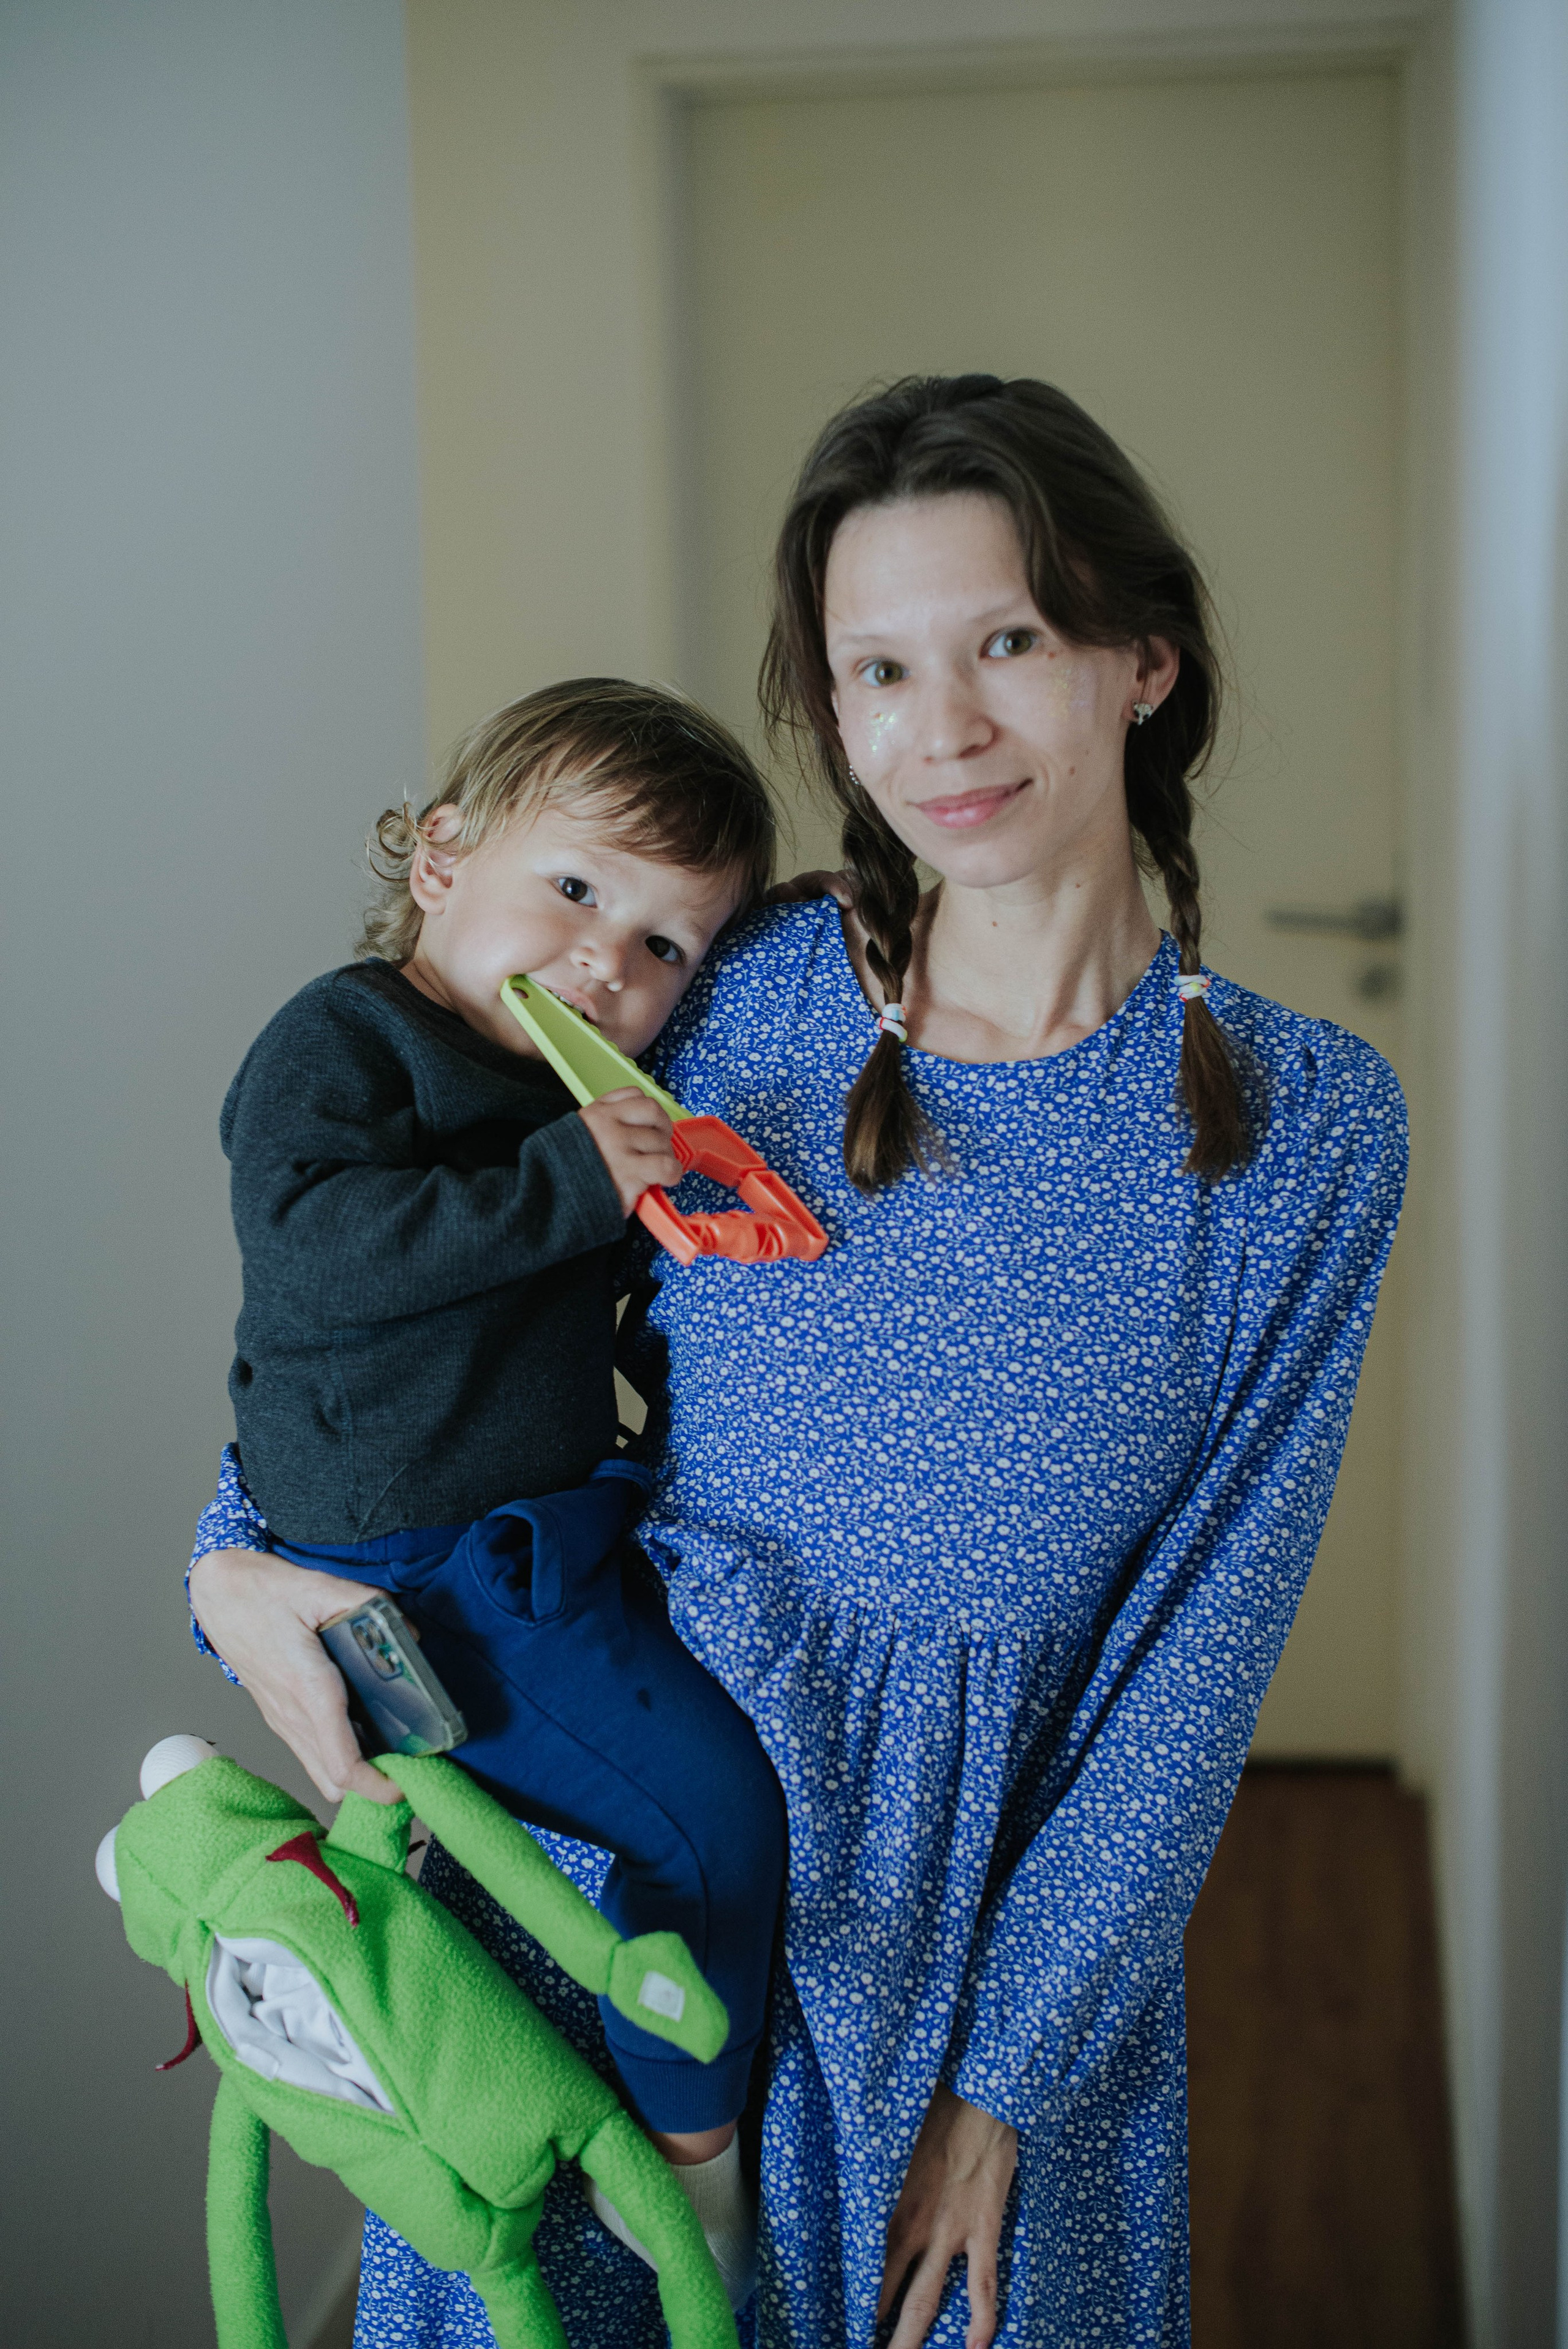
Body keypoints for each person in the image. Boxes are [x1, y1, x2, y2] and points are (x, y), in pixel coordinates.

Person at [189, 375, 1406, 2348]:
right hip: (613, 1895)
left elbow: (1199, 1656)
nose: (944, 729)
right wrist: (230, 1560)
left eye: (1009, 641)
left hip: (985, 1962)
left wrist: (1007, 2088)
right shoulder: (729, 981)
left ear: (1144, 658)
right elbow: (398, 1311)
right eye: (878, 670)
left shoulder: (1307, 1127)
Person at [190, 677, 788, 2308]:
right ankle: (692, 2169)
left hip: (536, 1531)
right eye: (577, 888)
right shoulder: (349, 1038)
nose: (609, 961)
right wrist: (571, 1181)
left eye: (668, 945)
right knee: (712, 1826)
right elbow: (312, 1255)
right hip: (426, 1564)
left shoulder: (565, 1081)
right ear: (442, 855)